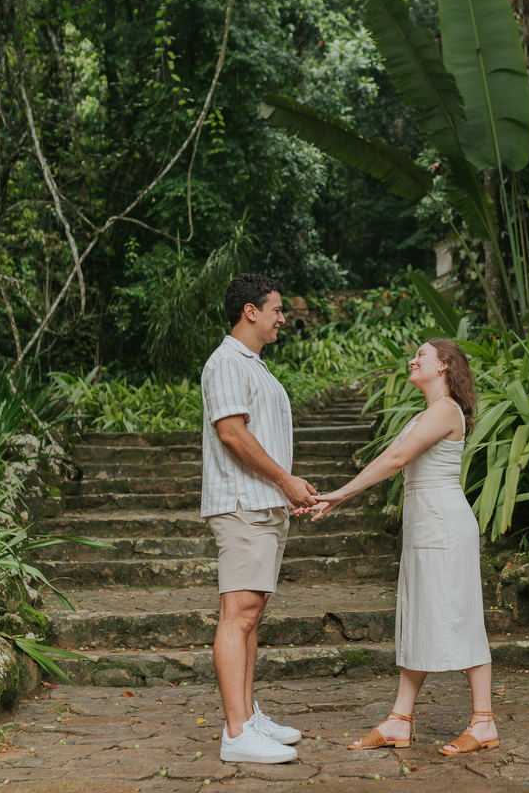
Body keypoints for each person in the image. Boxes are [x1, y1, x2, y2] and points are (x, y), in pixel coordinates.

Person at [308, 338, 497, 756]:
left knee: (461, 615)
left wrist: (339, 494)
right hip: (425, 526)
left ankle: (483, 722)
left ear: (444, 366)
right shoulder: (425, 413)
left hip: (444, 527)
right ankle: (400, 719)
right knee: (418, 618)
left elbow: (395, 461)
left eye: (422, 355)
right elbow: (395, 458)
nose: (413, 360)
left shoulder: (446, 410)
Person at [201, 273, 317, 764]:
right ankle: (235, 733)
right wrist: (287, 481)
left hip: (262, 504)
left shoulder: (255, 365)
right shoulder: (227, 362)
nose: (282, 318)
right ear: (250, 311)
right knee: (238, 615)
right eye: (275, 309)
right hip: (242, 504)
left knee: (251, 617)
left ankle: (247, 716)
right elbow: (232, 433)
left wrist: (285, 489)